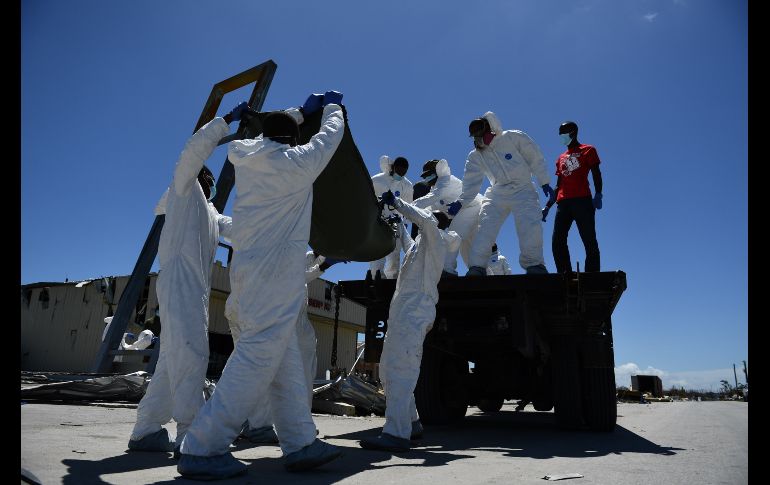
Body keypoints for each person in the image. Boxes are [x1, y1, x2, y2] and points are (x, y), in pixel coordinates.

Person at [177, 91, 346, 480]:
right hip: (274, 284)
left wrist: (297, 114)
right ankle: (203, 446)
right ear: (294, 140)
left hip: (247, 280)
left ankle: (301, 442)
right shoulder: (299, 164)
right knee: (255, 361)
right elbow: (330, 136)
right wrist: (333, 107)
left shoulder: (245, 156)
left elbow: (272, 131)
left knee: (283, 361)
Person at [127, 102, 248, 457]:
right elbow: (194, 150)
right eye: (206, 178)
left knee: (171, 363)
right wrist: (225, 121)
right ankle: (191, 437)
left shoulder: (209, 213)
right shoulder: (183, 190)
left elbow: (240, 231)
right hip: (180, 283)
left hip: (192, 290)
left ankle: (146, 430)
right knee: (192, 355)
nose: (208, 183)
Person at [359, 190, 460, 452]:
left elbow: (425, 221)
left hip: (415, 314)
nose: (427, 220)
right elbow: (406, 240)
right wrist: (398, 224)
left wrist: (398, 204)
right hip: (402, 313)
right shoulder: (419, 249)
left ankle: (396, 433)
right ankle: (412, 423)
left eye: (432, 218)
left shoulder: (437, 241)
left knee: (401, 370)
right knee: (389, 369)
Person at [238, 251, 345, 444]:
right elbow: (292, 280)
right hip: (281, 320)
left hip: (300, 323)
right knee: (268, 374)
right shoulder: (285, 253)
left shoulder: (308, 256)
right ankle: (257, 424)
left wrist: (328, 256)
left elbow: (307, 269)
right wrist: (323, 266)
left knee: (304, 377)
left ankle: (300, 423)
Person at [447, 112, 554, 276]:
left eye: (479, 130)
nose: (477, 137)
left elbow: (535, 157)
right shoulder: (475, 156)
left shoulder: (512, 137)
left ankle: (535, 265)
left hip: (523, 188)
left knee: (529, 225)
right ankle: (477, 267)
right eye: (474, 134)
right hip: (498, 191)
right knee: (485, 227)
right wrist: (461, 201)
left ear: (490, 127)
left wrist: (544, 180)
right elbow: (470, 182)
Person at [541, 121, 602, 273]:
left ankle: (591, 276)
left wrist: (598, 193)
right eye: (560, 132)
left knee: (589, 240)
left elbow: (596, 173)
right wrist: (548, 206)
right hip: (563, 204)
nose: (561, 135)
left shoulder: (588, 150)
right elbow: (558, 185)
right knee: (557, 242)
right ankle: (565, 274)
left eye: (564, 132)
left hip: (583, 201)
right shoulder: (560, 157)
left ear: (573, 132)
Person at [413, 158, 485, 277]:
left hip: (472, 207)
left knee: (453, 235)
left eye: (429, 175)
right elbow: (429, 208)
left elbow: (431, 198)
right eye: (424, 176)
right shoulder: (435, 187)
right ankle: (482, 272)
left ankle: (448, 270)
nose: (426, 179)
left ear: (437, 172)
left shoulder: (446, 181)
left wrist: (401, 207)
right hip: (464, 212)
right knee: (466, 247)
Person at [369, 155, 413, 279]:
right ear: (393, 167)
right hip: (379, 220)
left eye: (403, 173)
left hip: (397, 221)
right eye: (399, 171)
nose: (401, 175)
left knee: (395, 251)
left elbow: (409, 206)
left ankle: (393, 277)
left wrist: (405, 223)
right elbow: (368, 198)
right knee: (378, 248)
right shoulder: (378, 180)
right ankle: (376, 275)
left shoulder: (407, 185)